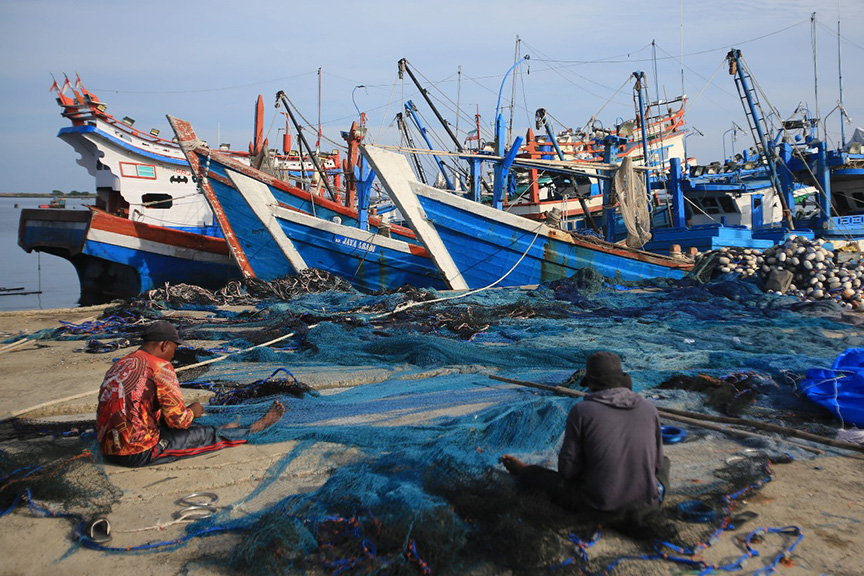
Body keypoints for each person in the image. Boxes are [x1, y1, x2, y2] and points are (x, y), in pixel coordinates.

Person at [96, 320, 284, 467]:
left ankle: (225, 428)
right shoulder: (161, 367)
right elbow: (180, 421)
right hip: (138, 452)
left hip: (107, 447)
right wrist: (194, 410)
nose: (174, 354)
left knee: (179, 424)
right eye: (174, 348)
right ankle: (253, 429)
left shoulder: (121, 364)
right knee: (204, 434)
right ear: (164, 345)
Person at [501, 351, 668, 513]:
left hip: (597, 506)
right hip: (646, 505)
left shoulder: (582, 411)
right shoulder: (649, 408)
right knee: (665, 461)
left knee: (548, 480)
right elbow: (658, 464)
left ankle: (524, 470)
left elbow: (567, 471)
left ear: (591, 383)